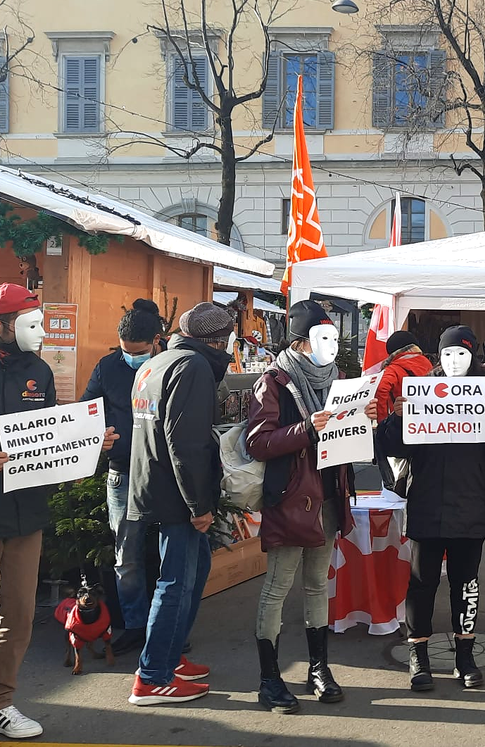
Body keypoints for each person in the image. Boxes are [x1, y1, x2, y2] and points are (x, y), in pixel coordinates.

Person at [0, 283, 117, 747]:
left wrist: (87, 440)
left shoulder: (37, 370)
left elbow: (46, 431)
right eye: (31, 325)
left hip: (25, 512)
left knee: (17, 614)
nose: (42, 334)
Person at [379, 325, 485, 692]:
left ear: (473, 356)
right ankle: (418, 655)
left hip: (471, 506)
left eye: (461, 353)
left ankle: (465, 655)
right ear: (437, 357)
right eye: (446, 354)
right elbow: (392, 446)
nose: (454, 361)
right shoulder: (423, 392)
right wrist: (397, 416)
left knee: (466, 583)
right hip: (427, 504)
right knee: (422, 582)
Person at [247, 301, 372, 713]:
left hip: (330, 498)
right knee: (278, 588)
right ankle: (269, 678)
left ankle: (319, 667)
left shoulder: (339, 380)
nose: (332, 346)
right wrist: (307, 428)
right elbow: (258, 442)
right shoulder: (274, 382)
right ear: (300, 343)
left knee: (319, 583)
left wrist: (362, 416)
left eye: (335, 337)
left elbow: (345, 436)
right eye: (323, 338)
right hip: (291, 500)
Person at [127, 302, 234, 706]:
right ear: (219, 340)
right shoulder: (193, 367)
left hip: (152, 486)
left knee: (192, 571)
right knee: (176, 582)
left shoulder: (157, 363)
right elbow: (185, 444)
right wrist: (199, 505)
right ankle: (153, 676)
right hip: (176, 496)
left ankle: (168, 659)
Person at [81, 299, 163, 656]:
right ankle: (133, 625)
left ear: (157, 342)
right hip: (122, 473)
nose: (132, 358)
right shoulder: (107, 367)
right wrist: (98, 435)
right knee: (126, 556)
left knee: (166, 556)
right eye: (127, 351)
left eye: (140, 352)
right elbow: (87, 410)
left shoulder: (169, 367)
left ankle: (166, 626)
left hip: (164, 473)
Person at [373, 330, 434, 495]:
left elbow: (380, 390)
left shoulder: (393, 369)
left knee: (395, 486)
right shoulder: (427, 364)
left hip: (400, 428)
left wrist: (382, 422)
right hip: (427, 429)